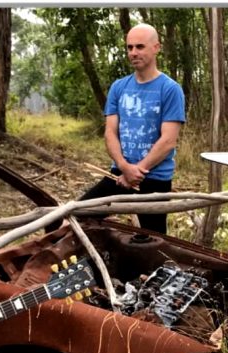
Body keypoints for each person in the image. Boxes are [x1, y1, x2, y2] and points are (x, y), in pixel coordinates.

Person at [78, 23, 186, 236]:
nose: (133, 53)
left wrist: (138, 171)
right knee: (79, 216)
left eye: (140, 47)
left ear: (156, 47)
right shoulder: (119, 87)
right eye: (129, 47)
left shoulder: (170, 89)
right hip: (118, 174)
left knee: (152, 242)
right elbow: (110, 132)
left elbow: (168, 141)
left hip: (155, 179)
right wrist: (124, 167)